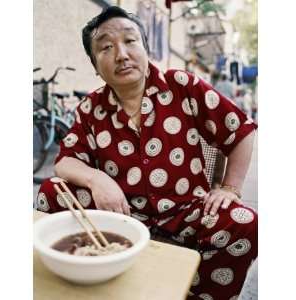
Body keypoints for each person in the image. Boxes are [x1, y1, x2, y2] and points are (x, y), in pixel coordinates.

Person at [35, 6, 257, 300]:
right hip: (120, 214)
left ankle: (195, 293)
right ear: (95, 64)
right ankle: (87, 279)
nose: (121, 54)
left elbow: (240, 130)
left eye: (130, 41)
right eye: (105, 47)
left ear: (145, 48)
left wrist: (230, 188)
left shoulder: (182, 85)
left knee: (245, 222)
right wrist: (97, 179)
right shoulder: (91, 107)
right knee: (53, 191)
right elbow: (64, 161)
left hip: (187, 212)